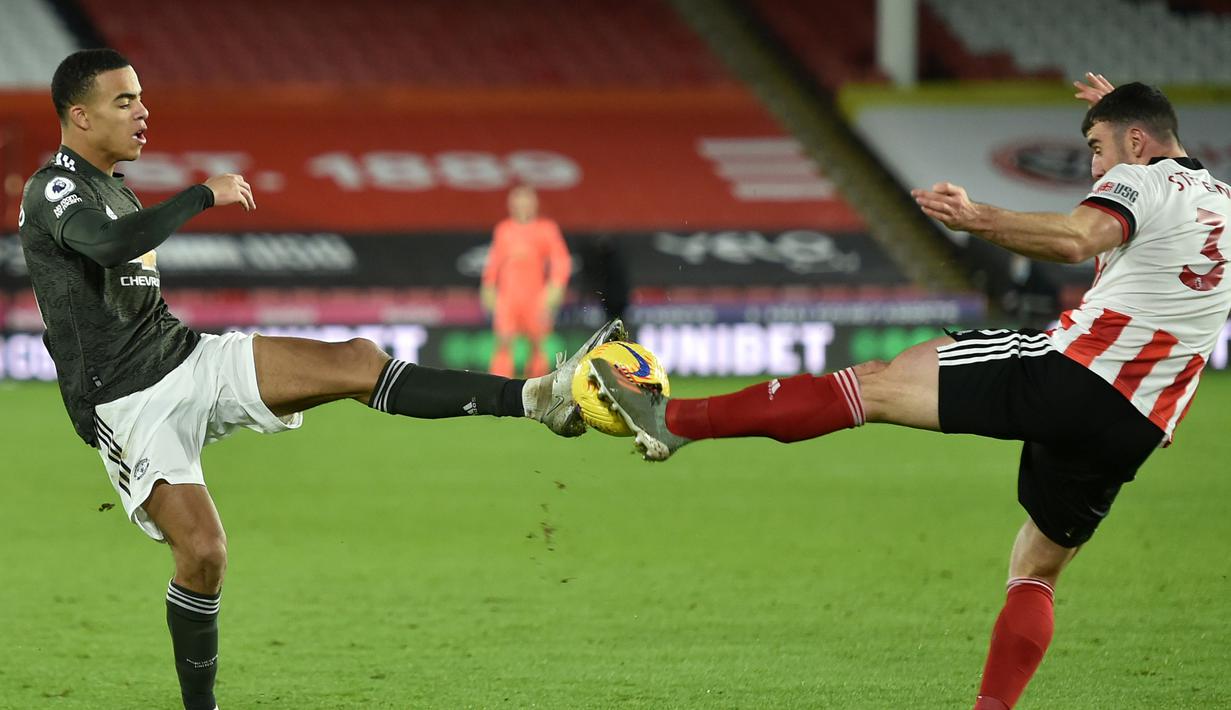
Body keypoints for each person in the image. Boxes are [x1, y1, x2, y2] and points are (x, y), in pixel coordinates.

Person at [589, 76, 1230, 709]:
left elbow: (1075, 238)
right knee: (1036, 569)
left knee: (872, 385)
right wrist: (1122, 122)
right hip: (1139, 422)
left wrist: (976, 218)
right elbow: (1167, 209)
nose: (1094, 167)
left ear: (1140, 142)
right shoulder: (1221, 199)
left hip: (1073, 372)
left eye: (1097, 148)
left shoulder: (1140, 177)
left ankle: (675, 419)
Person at [18, 49, 625, 710]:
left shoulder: (118, 189)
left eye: (141, 97)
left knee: (357, 361)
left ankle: (536, 397)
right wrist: (200, 194)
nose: (143, 111)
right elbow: (105, 247)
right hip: (128, 404)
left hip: (184, 356)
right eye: (124, 101)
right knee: (204, 555)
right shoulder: (53, 186)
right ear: (79, 117)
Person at [481, 185, 572, 378]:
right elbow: (494, 262)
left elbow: (561, 260)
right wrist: (488, 285)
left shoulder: (546, 229)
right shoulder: (503, 229)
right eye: (518, 201)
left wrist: (556, 285)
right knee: (504, 342)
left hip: (536, 297)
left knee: (538, 344)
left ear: (535, 204)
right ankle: (498, 388)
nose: (522, 205)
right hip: (508, 296)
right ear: (511, 204)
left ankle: (535, 391)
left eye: (527, 201)